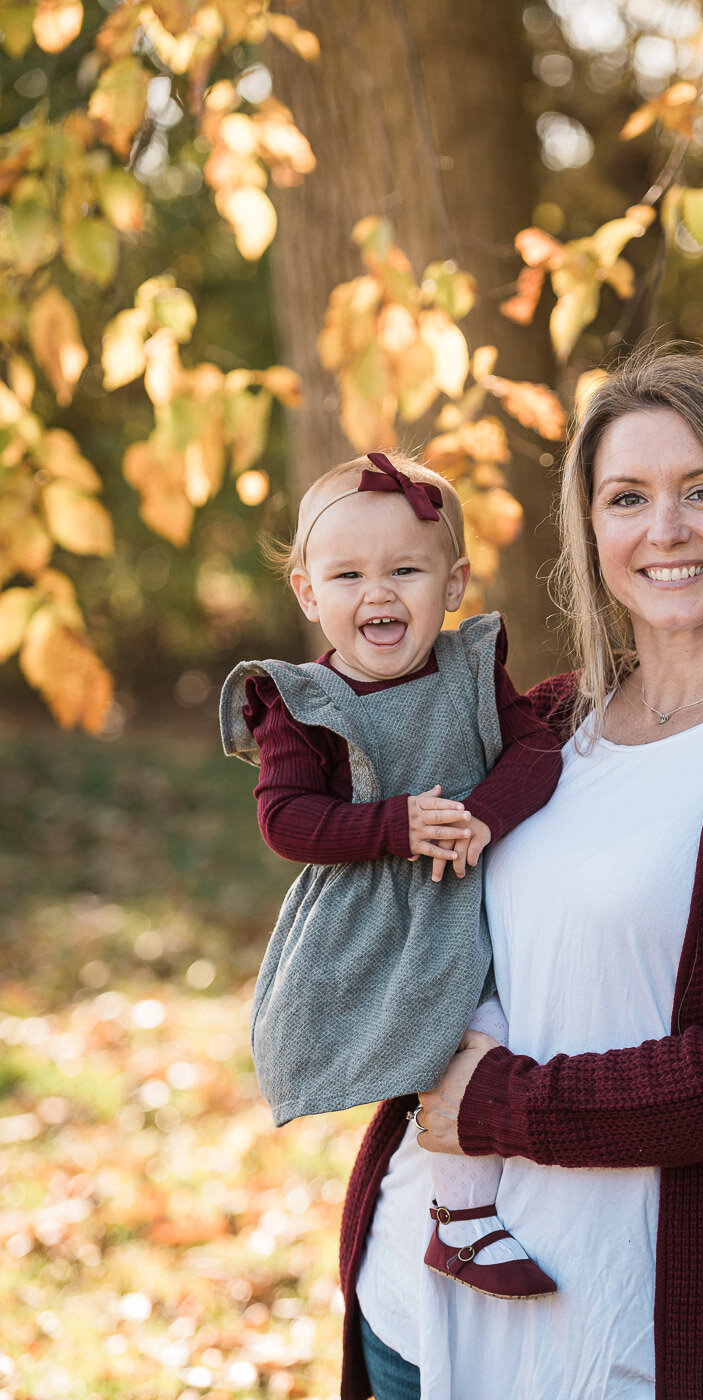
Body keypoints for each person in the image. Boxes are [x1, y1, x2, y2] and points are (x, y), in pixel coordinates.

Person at [337, 350, 703, 1400]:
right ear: (593, 527)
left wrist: (506, 1105)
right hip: (415, 1308)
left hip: (631, 1337)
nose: (666, 529)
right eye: (627, 497)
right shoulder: (549, 724)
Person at [220, 451, 563, 1304]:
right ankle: (460, 1222)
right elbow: (285, 819)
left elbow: (536, 750)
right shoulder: (300, 701)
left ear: (453, 584)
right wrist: (393, 823)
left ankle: (465, 1213)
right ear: (307, 593)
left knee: (490, 1030)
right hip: (375, 912)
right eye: (348, 575)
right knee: (450, 1040)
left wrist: (483, 814)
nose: (378, 593)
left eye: (405, 570)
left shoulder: (471, 669)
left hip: (473, 889)